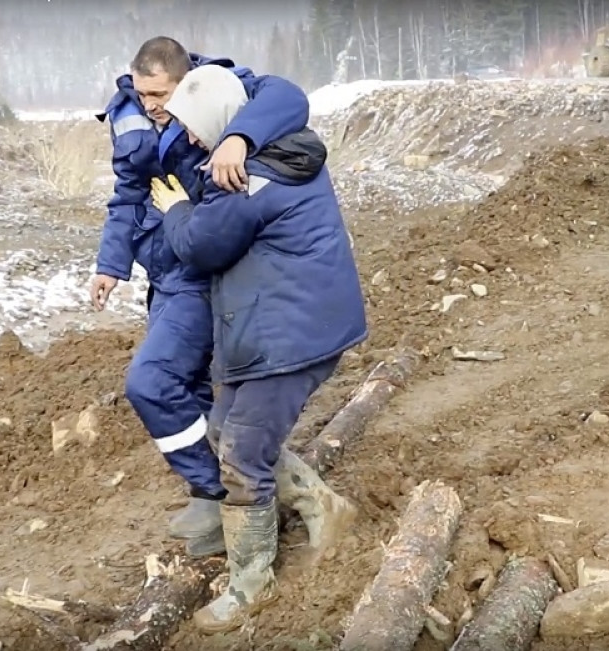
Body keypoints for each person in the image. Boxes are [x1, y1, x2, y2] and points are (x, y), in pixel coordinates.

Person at [150, 64, 369, 633]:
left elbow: (200, 245)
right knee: (225, 430)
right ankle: (321, 503)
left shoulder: (245, 179)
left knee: (242, 455)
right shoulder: (273, 150)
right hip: (291, 324)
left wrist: (174, 208)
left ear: (221, 120)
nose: (195, 140)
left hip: (291, 336)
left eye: (197, 128)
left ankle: (252, 585)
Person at [91, 37, 311, 557]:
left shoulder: (220, 88)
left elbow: (289, 97)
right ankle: (223, 497)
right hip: (162, 268)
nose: (153, 106)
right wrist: (111, 264)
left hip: (201, 268)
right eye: (143, 94)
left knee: (151, 381)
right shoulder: (127, 114)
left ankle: (220, 494)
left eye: (161, 94)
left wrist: (237, 137)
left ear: (183, 80)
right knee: (186, 385)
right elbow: (126, 197)